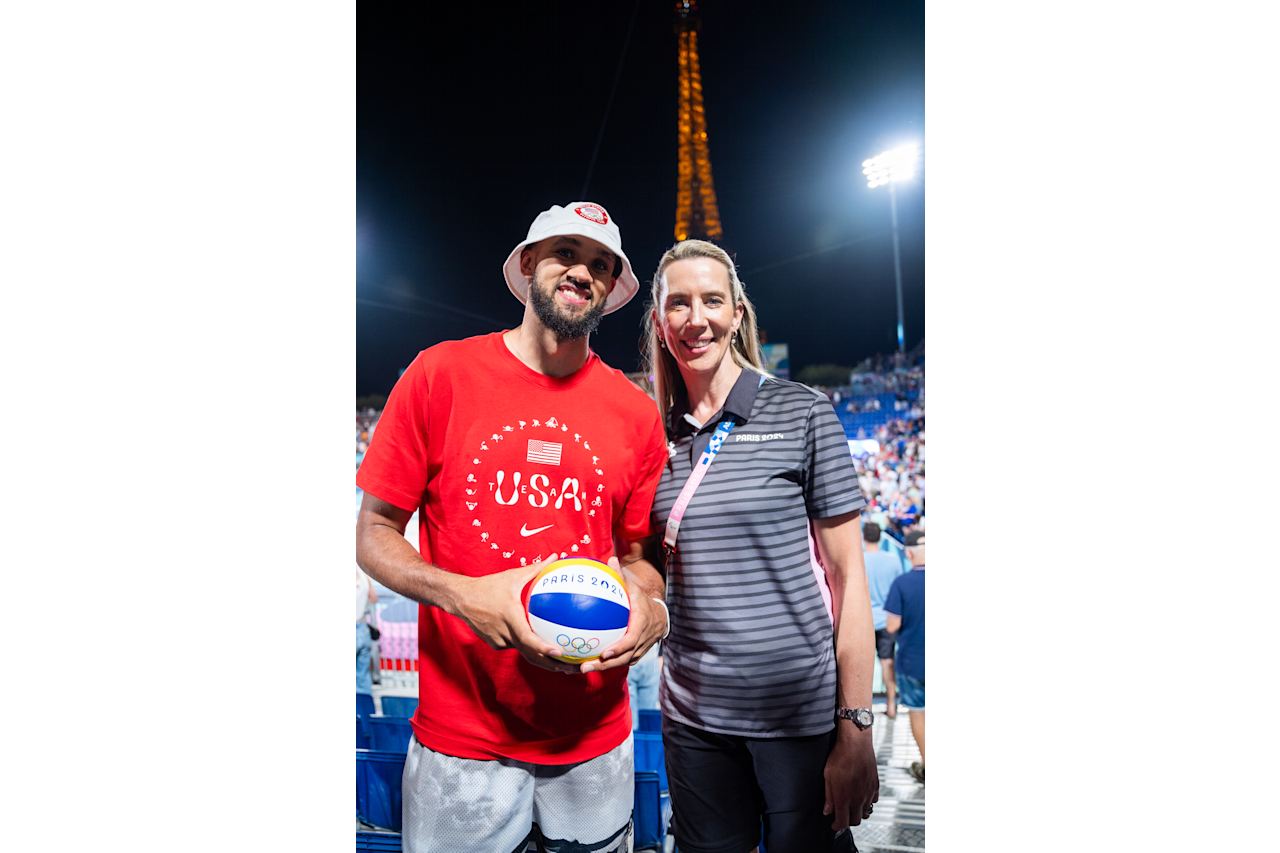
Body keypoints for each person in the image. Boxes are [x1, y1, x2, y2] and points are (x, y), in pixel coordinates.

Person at [356, 202, 670, 853]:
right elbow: (373, 533)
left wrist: (650, 607)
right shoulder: (439, 375)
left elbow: (641, 558)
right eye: (565, 253)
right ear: (527, 263)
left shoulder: (636, 414)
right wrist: (462, 594)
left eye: (600, 265)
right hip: (462, 737)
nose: (582, 273)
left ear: (612, 288)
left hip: (592, 734)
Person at [642, 239, 879, 853]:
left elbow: (851, 579)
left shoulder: (801, 411)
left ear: (737, 312)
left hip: (797, 718)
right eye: (679, 304)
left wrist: (855, 729)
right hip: (693, 719)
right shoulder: (651, 437)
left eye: (712, 300)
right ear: (660, 321)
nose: (697, 319)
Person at [885, 529, 926, 784]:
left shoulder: (902, 583)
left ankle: (927, 763)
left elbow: (891, 626)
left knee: (918, 712)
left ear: (908, 553)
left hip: (913, 661)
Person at [862, 523, 907, 718]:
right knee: (888, 662)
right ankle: (891, 704)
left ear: (863, 537)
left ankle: (863, 708)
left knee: (862, 666)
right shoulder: (892, 560)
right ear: (880, 537)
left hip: (863, 620)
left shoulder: (859, 560)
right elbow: (898, 589)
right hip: (886, 620)